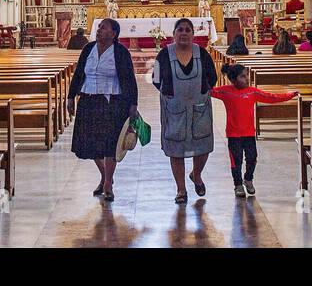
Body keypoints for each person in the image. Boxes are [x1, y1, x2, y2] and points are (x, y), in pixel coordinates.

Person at [66, 18, 139, 202]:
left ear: (113, 34)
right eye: (98, 27)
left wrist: (133, 104)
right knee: (90, 143)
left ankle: (107, 185)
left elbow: (129, 78)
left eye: (103, 28)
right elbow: (79, 74)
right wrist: (70, 96)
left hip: (112, 102)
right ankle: (107, 176)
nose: (99, 30)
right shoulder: (88, 49)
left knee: (109, 144)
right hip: (89, 100)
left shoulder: (120, 52)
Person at [152, 17, 217, 204]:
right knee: (176, 148)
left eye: (187, 30)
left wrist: (202, 93)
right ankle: (180, 189)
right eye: (180, 30)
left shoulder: (202, 53)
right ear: (174, 34)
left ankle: (196, 175)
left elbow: (212, 77)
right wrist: (170, 95)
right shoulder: (163, 55)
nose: (184, 33)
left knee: (203, 145)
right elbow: (156, 78)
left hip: (200, 107)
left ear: (193, 34)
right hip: (174, 108)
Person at [210, 64, 297, 196]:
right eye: (243, 76)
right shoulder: (225, 91)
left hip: (249, 133)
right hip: (233, 134)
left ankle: (248, 179)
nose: (247, 79)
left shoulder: (252, 92)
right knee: (236, 160)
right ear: (233, 80)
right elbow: (208, 91)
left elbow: (271, 98)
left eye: (247, 75)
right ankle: (238, 185)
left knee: (252, 158)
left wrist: (290, 95)